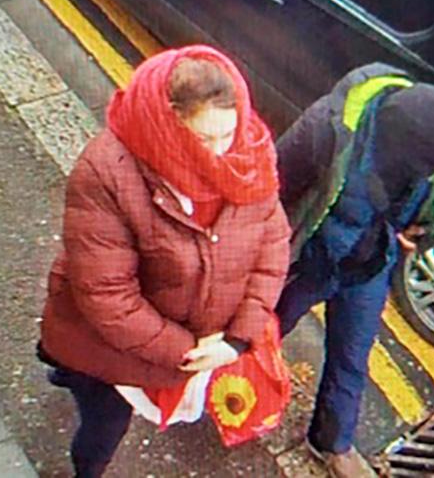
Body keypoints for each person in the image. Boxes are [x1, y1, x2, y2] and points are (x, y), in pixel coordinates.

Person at [36, 45, 291, 478]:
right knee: (104, 427)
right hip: (105, 348)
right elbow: (108, 296)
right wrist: (189, 352)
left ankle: (62, 373)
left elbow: (273, 244)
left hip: (184, 347)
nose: (219, 154)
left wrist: (238, 337)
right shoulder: (105, 172)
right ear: (166, 124)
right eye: (202, 138)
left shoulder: (250, 157)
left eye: (227, 134)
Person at [274, 63, 434, 478]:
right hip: (314, 255)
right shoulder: (329, 125)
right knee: (264, 329)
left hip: (368, 267)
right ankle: (217, 387)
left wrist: (423, 237)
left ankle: (332, 442)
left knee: (351, 357)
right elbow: (275, 182)